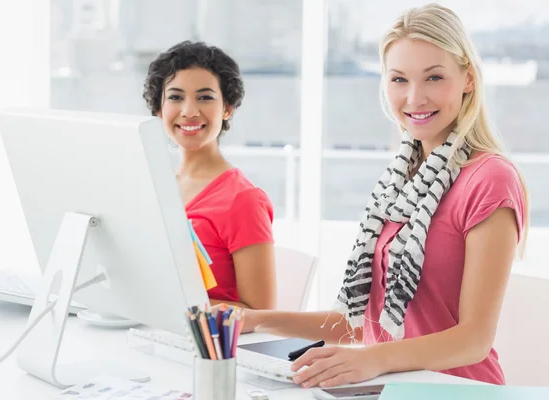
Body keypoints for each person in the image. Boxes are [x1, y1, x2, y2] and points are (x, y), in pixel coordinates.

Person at [240, 3, 528, 388]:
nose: (414, 98)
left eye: (434, 77)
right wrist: (257, 319)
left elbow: (474, 341)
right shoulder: (402, 183)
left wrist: (372, 361)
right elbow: (358, 325)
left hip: (456, 390)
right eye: (398, 80)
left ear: (468, 79)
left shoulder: (490, 179)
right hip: (389, 385)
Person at [143, 41, 276, 310]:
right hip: (154, 333)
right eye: (175, 97)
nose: (189, 111)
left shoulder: (243, 200)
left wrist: (170, 303)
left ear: (227, 108)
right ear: (159, 108)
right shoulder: (155, 186)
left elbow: (262, 315)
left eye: (205, 97)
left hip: (212, 346)